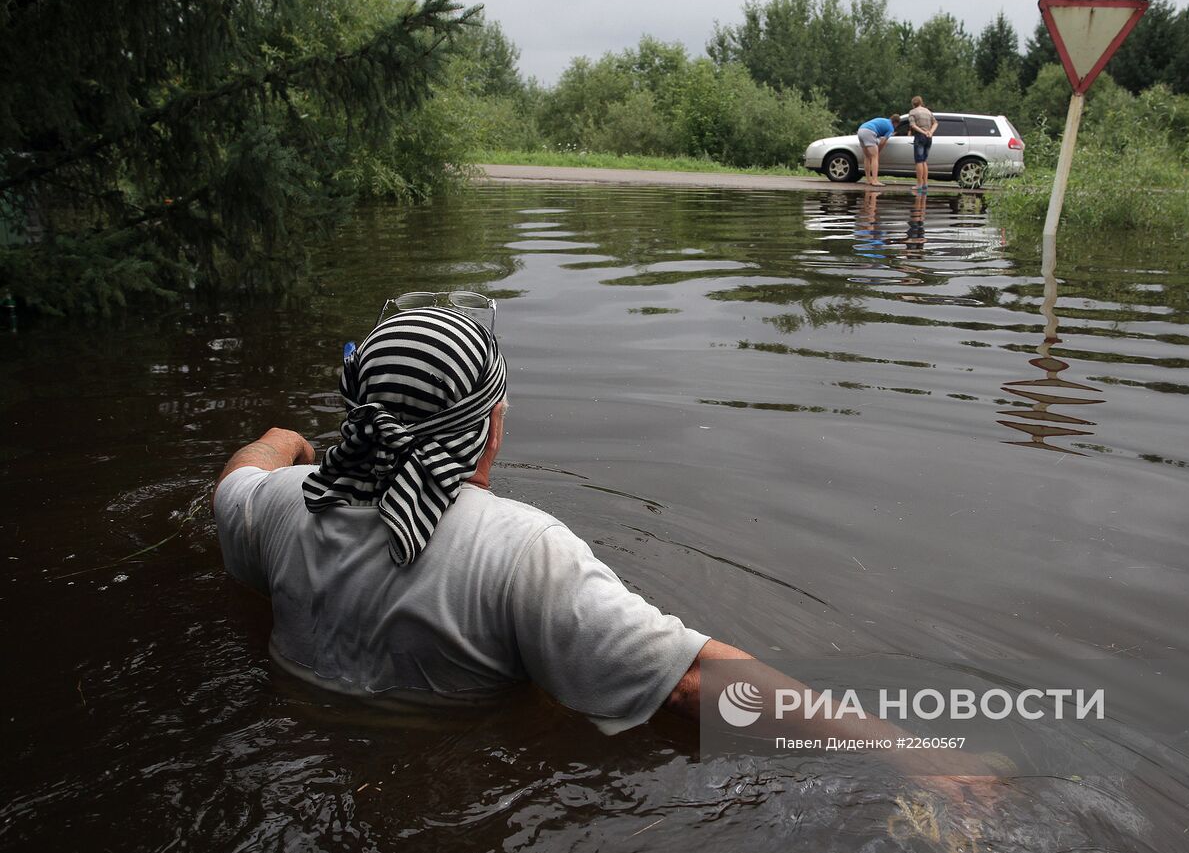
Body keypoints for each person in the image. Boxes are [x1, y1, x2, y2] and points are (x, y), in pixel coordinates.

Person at [212, 301, 1000, 793]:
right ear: (487, 428)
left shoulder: (283, 507)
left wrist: (285, 438)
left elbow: (236, 479)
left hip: (304, 756)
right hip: (455, 791)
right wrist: (909, 752)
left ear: (358, 420)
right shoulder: (519, 549)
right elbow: (692, 683)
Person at [856, 113, 901, 187]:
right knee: (874, 157)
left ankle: (868, 180)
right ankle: (875, 180)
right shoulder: (891, 128)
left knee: (867, 157)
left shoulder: (884, 120)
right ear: (896, 123)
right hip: (869, 132)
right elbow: (883, 141)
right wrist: (878, 151)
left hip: (861, 130)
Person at [907, 96, 938, 193]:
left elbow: (913, 125)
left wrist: (923, 132)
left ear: (913, 104)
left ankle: (919, 184)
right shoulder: (928, 111)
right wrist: (930, 132)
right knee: (924, 160)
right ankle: (925, 183)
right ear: (921, 102)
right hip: (929, 138)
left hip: (920, 137)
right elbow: (936, 123)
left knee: (919, 161)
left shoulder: (912, 112)